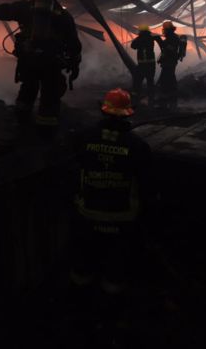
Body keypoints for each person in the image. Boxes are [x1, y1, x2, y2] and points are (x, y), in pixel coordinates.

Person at [70, 88, 153, 298]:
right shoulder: (138, 146)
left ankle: (79, 297)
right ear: (128, 114)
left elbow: (72, 170)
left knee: (83, 258)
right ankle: (111, 300)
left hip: (87, 211)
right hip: (122, 217)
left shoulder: (83, 138)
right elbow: (147, 183)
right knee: (117, 262)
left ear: (104, 112)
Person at [0, 0, 82, 127]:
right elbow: (73, 43)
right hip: (52, 62)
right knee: (50, 95)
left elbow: (4, 10)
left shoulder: (24, 7)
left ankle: (22, 122)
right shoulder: (64, 15)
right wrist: (75, 65)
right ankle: (45, 130)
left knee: (27, 90)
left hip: (29, 60)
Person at [156, 21, 187, 108]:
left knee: (167, 79)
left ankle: (168, 98)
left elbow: (168, 48)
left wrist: (159, 40)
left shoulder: (172, 38)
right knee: (169, 78)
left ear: (168, 30)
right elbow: (166, 48)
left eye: (165, 29)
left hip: (170, 62)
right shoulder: (171, 37)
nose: (164, 31)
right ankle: (171, 97)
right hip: (169, 62)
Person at [130, 25, 161, 106]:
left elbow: (133, 46)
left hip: (142, 66)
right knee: (150, 82)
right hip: (151, 65)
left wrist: (138, 38)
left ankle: (136, 100)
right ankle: (151, 100)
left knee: (137, 82)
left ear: (141, 32)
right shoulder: (151, 38)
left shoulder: (139, 39)